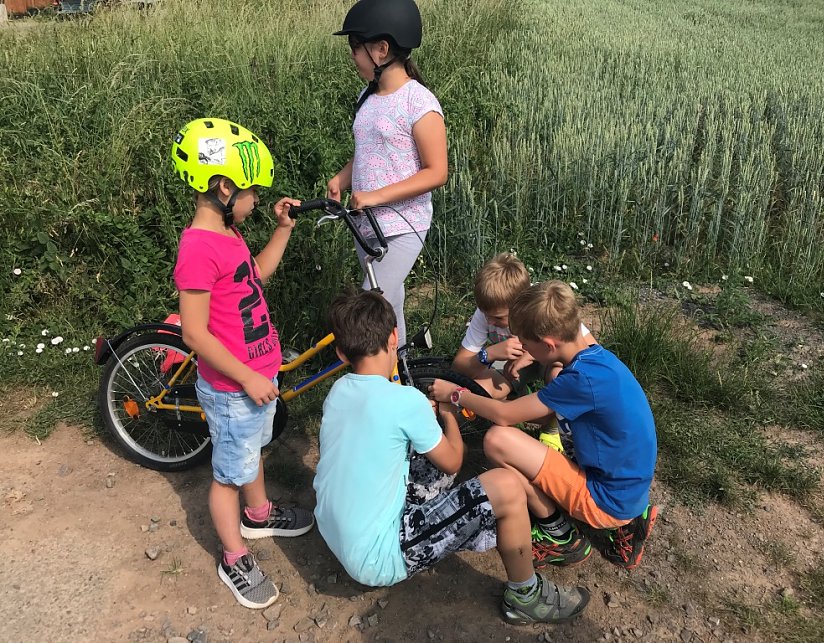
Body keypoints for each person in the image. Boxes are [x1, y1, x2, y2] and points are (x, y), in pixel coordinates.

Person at [313, 290, 590, 624]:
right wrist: (445, 415)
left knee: (423, 459)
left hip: (331, 529)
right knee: (505, 485)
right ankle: (525, 595)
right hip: (377, 559)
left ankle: (459, 523)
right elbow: (453, 462)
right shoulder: (405, 400)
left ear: (342, 353)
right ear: (393, 337)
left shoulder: (338, 390)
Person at [171, 118, 314, 609]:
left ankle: (258, 514)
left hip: (256, 376)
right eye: (252, 191)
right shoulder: (196, 249)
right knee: (228, 472)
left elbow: (256, 277)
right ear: (224, 187)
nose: (256, 199)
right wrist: (248, 375)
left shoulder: (229, 234)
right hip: (234, 387)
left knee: (251, 453)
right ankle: (233, 557)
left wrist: (281, 231)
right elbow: (193, 332)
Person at [432, 281, 659, 571]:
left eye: (527, 345)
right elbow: (540, 415)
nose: (524, 351)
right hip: (630, 488)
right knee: (518, 438)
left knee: (497, 440)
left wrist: (457, 395)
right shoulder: (597, 361)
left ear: (549, 345)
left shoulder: (579, 381)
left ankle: (560, 536)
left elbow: (503, 415)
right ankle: (629, 519)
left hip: (605, 499)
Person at [328, 0, 448, 346]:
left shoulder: (419, 103)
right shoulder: (367, 95)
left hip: (402, 225)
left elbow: (437, 171)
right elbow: (368, 153)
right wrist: (341, 178)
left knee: (370, 307)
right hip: (366, 223)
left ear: (381, 50)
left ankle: (373, 381)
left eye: (356, 47)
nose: (352, 55)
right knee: (389, 300)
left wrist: (375, 196)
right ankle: (402, 372)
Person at [451, 253, 595, 451]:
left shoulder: (543, 308)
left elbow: (589, 350)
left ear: (520, 306)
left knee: (559, 375)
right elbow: (459, 365)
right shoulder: (486, 314)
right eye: (487, 316)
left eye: (499, 318)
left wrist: (529, 355)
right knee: (481, 387)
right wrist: (490, 354)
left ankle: (551, 427)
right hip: (511, 365)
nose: (491, 322)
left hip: (547, 361)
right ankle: (511, 410)